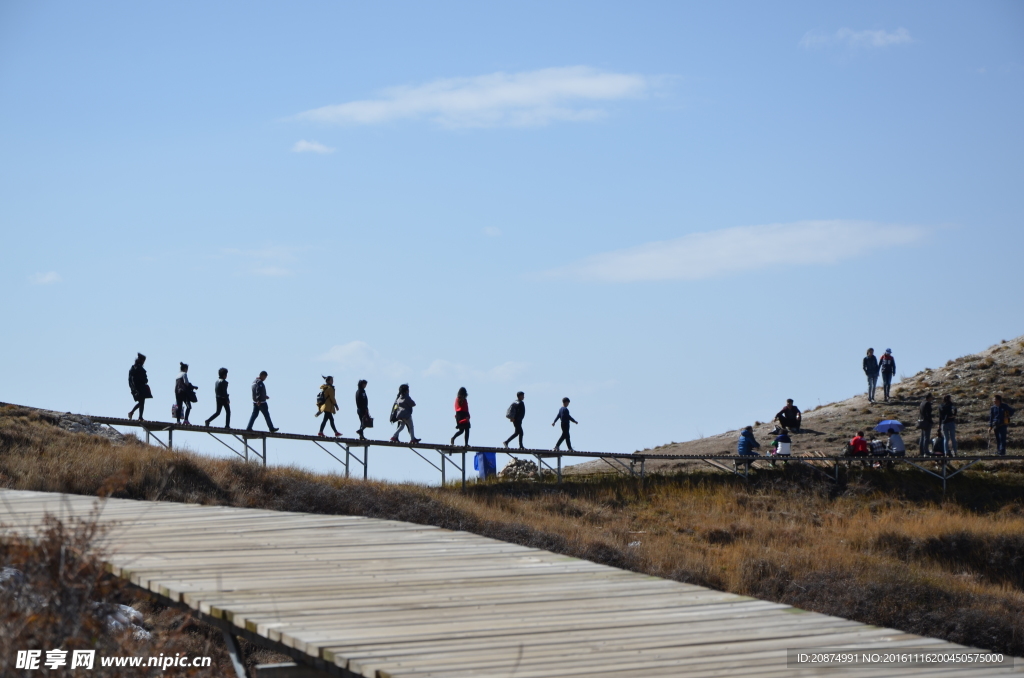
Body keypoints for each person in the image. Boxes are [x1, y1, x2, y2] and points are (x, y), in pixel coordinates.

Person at [127, 353, 151, 420]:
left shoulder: (133, 368)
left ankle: (133, 413)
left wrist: (133, 388)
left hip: (135, 388)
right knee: (142, 402)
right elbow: (145, 380)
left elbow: (130, 379)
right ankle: (139, 416)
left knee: (141, 402)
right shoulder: (139, 369)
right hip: (140, 388)